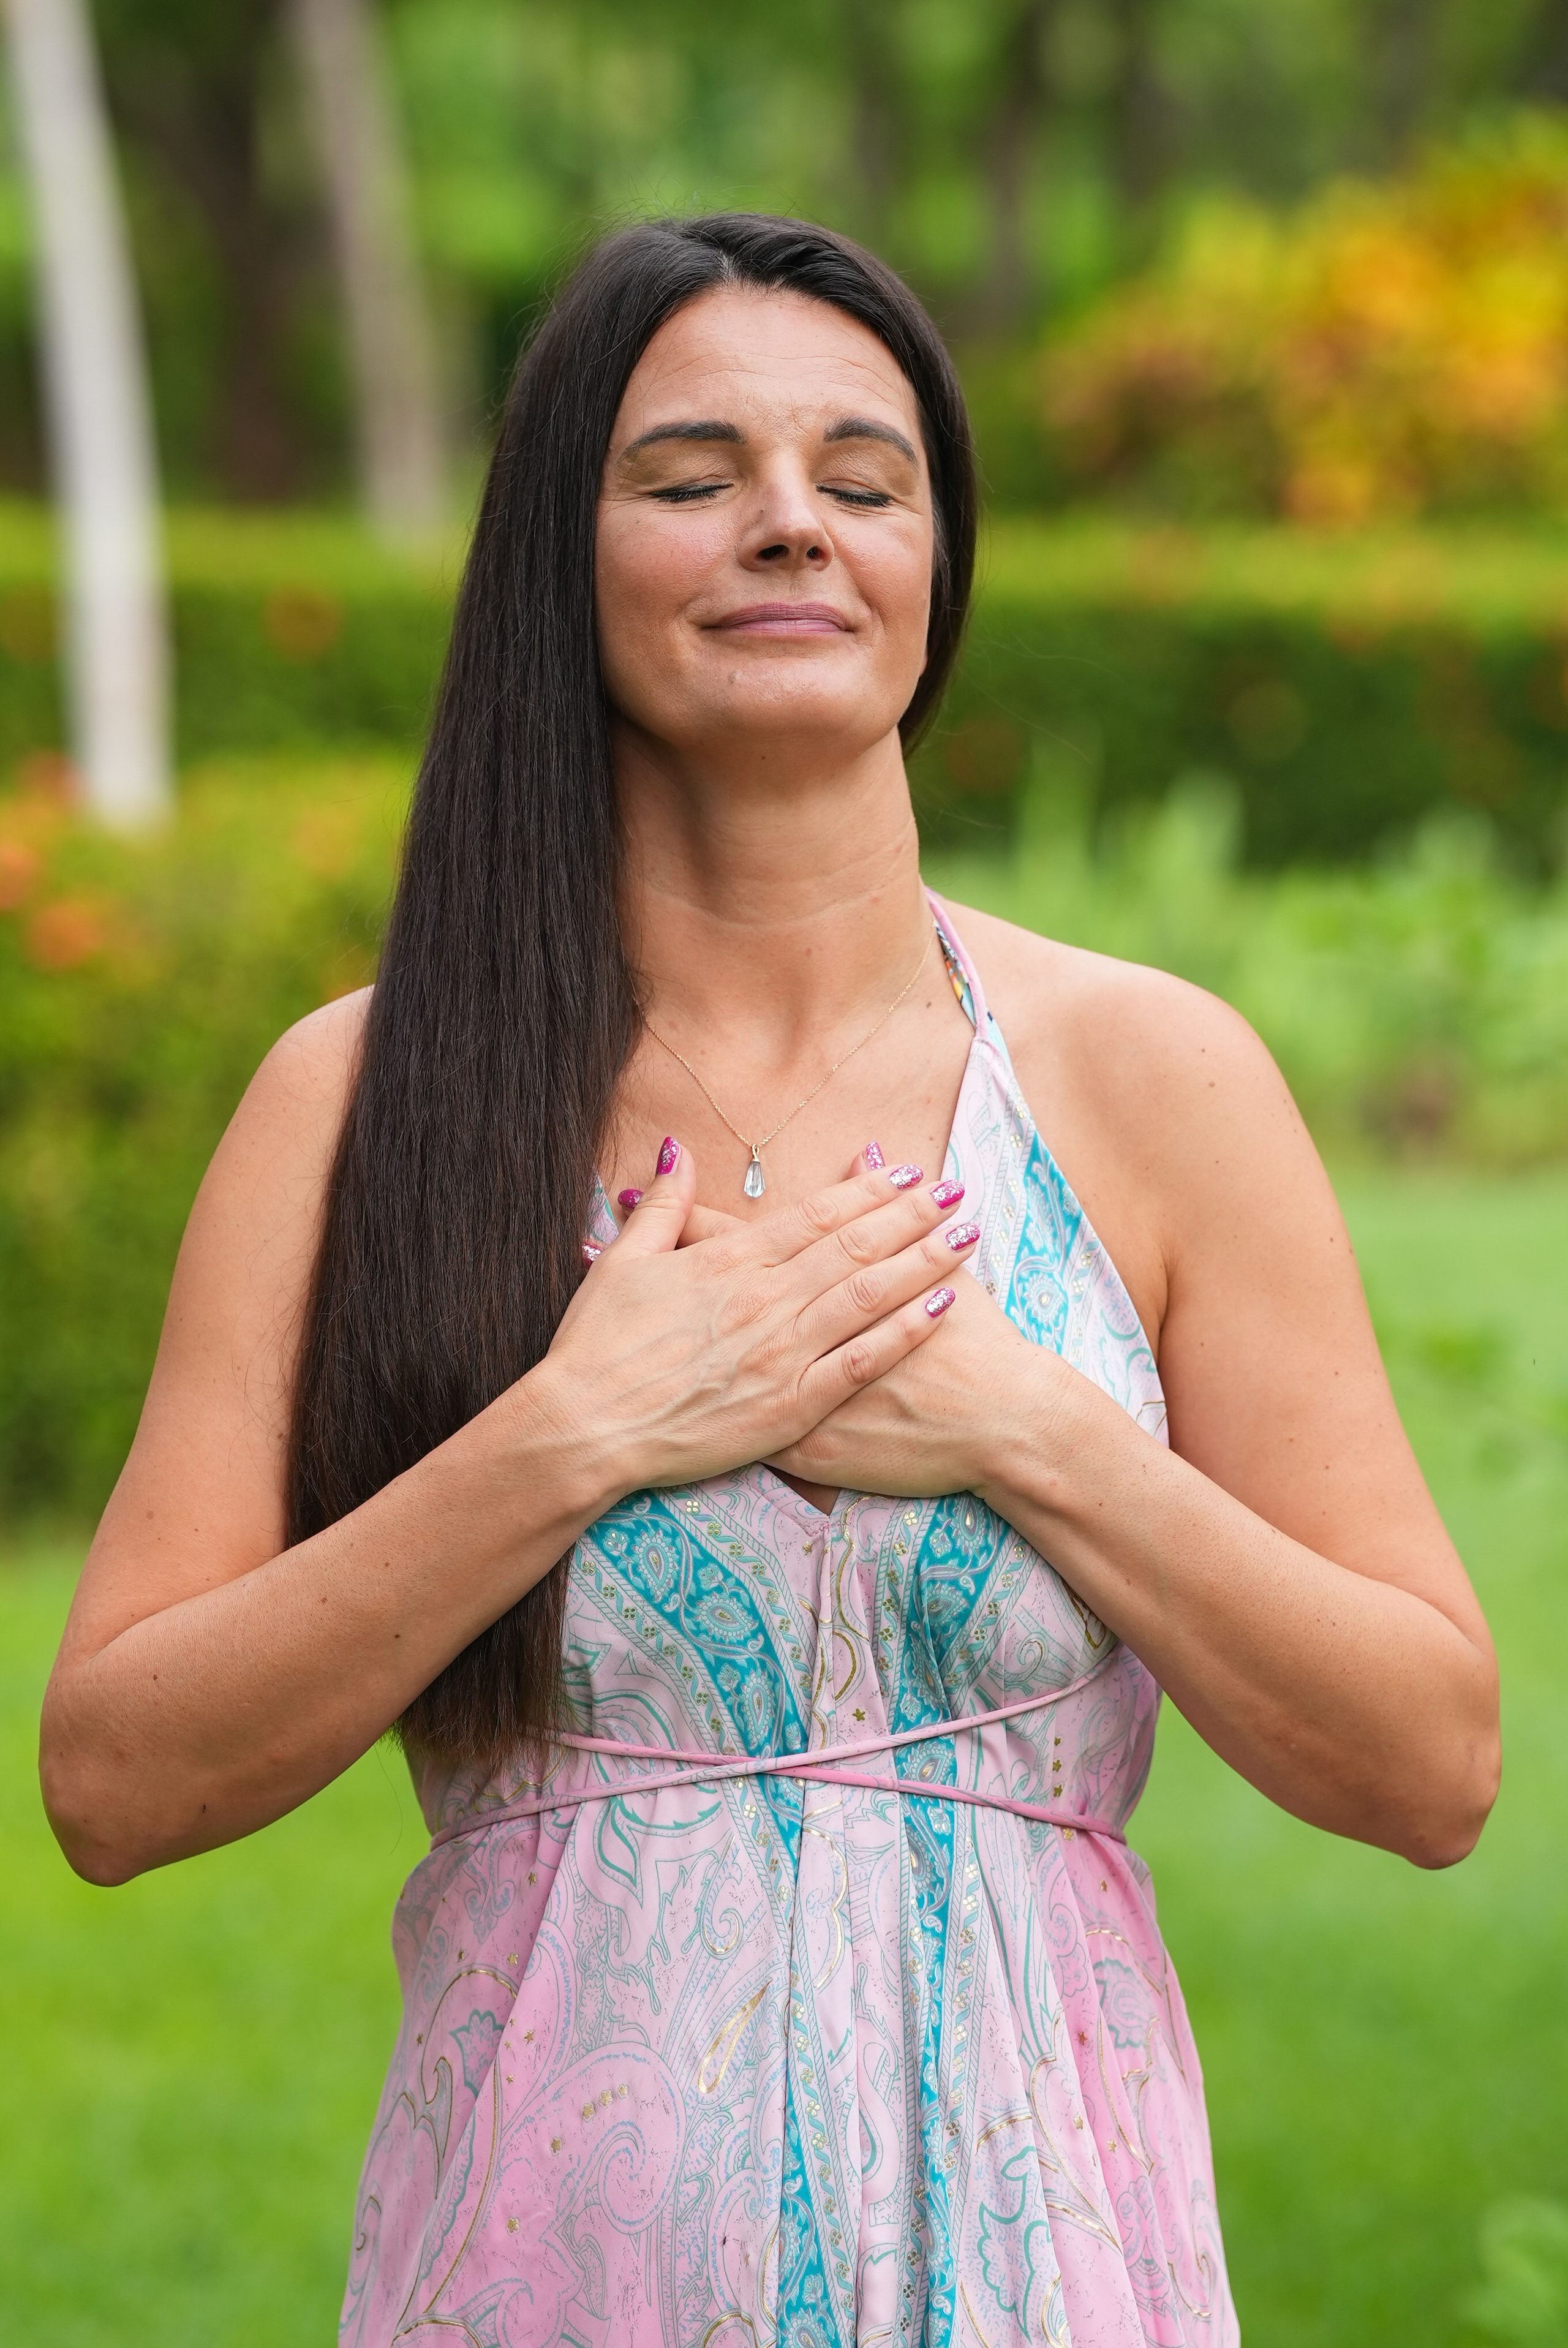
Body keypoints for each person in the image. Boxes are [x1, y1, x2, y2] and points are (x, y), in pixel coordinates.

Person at [40, 214, 1499, 2348]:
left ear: (936, 568)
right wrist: (576, 1431)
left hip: (1048, 2268)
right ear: (566, 551)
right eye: (692, 474)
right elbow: (112, 1779)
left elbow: (1430, 1760)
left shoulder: (1153, 1079)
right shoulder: (363, 1097)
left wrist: (1024, 1427)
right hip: (549, 2270)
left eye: (864, 475)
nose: (790, 525)